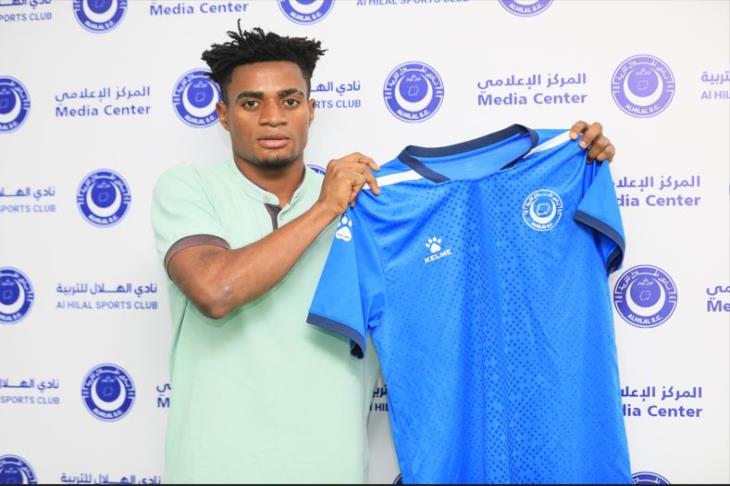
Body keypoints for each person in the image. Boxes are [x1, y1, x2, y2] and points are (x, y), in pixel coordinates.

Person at [151, 24, 617, 484]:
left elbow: (456, 293)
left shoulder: (369, 203)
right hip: (210, 471)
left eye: (289, 101)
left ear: (311, 110)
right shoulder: (190, 188)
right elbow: (215, 289)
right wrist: (325, 209)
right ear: (223, 114)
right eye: (251, 103)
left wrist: (574, 160)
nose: (272, 117)